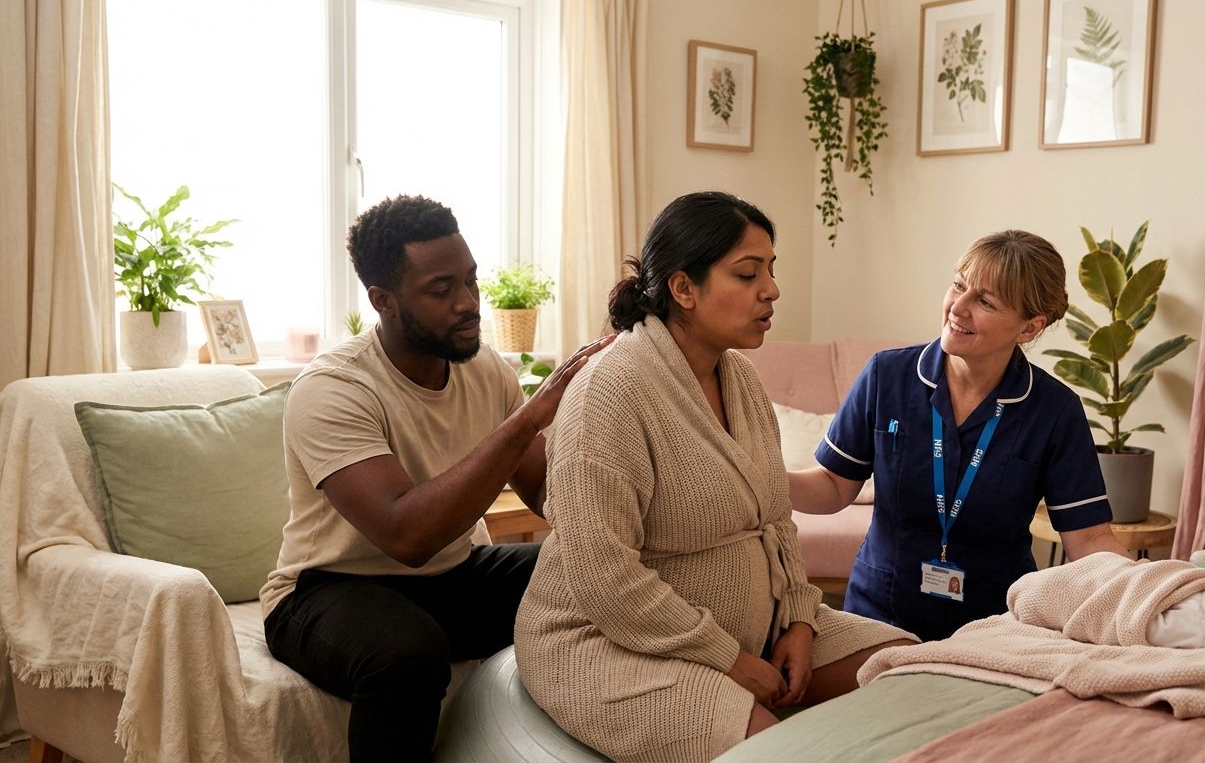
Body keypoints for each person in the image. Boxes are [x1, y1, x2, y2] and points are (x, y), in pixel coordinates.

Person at [514, 192, 916, 762]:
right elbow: (602, 576)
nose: (771, 289)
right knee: (773, 751)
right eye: (748, 274)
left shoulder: (741, 379)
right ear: (683, 288)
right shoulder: (609, 393)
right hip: (610, 641)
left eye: (771, 270)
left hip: (752, 630)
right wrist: (726, 659)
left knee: (909, 670)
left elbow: (776, 520)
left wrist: (800, 621)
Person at [259, 194, 610, 761]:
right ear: (383, 301)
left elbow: (550, 492)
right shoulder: (333, 389)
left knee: (588, 570)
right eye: (441, 290)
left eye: (470, 280)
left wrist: (627, 493)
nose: (468, 303)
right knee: (407, 654)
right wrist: (527, 418)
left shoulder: (487, 369)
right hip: (328, 589)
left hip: (451, 576)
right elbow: (408, 536)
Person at [789, 230, 1130, 641]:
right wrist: (756, 477)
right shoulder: (886, 376)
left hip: (994, 628)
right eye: (958, 285)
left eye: (985, 301)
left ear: (1029, 327)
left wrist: (1151, 590)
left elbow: (1088, 538)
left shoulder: (1055, 411)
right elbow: (833, 485)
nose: (958, 307)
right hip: (878, 614)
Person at [1008, 554, 1205, 657]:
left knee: (1066, 586)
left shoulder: (1200, 632)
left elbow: (1140, 624)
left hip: (1102, 596)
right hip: (1122, 574)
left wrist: (1140, 589)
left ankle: (1033, 592)